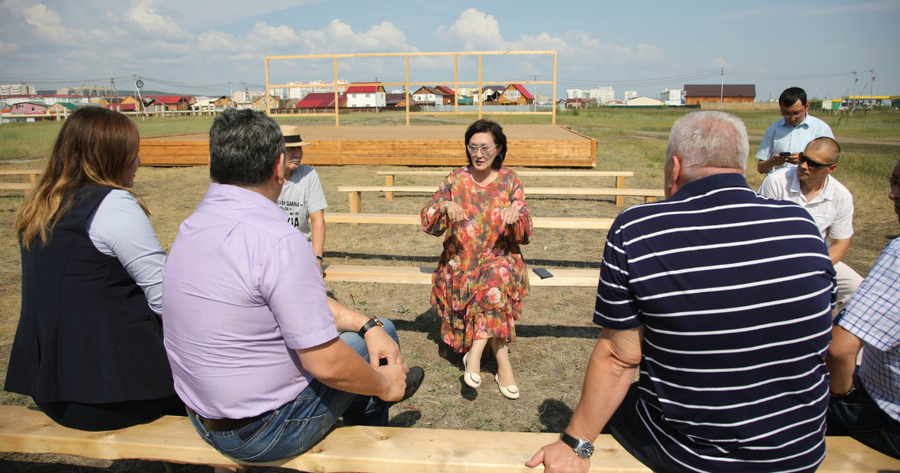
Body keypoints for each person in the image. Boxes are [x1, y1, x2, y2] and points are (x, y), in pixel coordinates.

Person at [528, 111, 835, 473]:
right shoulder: (801, 225)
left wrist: (574, 443)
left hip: (691, 456)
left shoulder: (639, 228)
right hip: (799, 451)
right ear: (739, 165)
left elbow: (618, 359)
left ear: (675, 168)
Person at [162, 108, 423, 464]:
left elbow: (289, 298)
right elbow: (327, 364)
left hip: (201, 415)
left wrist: (364, 321)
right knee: (380, 338)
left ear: (211, 161)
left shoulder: (192, 226)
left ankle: (362, 418)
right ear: (278, 166)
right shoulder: (279, 241)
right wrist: (387, 384)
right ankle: (366, 445)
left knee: (371, 331)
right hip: (259, 432)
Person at [4, 107, 181, 431]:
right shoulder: (112, 203)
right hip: (115, 394)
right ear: (110, 157)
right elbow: (166, 299)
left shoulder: (40, 204)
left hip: (52, 393)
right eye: (132, 154)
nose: (138, 163)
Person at [421, 119, 532, 400]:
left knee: (493, 281)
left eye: (485, 148)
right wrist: (445, 206)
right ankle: (502, 365)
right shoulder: (455, 180)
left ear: (499, 149)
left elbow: (526, 232)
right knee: (491, 290)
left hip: (500, 259)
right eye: (473, 147)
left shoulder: (509, 181)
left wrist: (515, 217)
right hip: (462, 262)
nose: (479, 154)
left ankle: (475, 357)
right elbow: (428, 222)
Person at [825, 156, 900, 459]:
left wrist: (843, 395)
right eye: (893, 182)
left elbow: (839, 349)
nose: (892, 193)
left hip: (887, 415)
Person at [759, 136, 862, 312]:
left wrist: (816, 269)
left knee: (857, 289)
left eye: (813, 164)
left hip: (817, 260)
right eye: (803, 158)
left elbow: (840, 243)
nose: (803, 166)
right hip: (773, 257)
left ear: (831, 168)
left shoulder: (841, 196)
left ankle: (837, 334)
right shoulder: (776, 182)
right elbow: (758, 230)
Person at [276, 125, 327, 267]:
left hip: (301, 252)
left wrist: (317, 258)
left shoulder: (308, 175)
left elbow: (318, 220)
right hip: (269, 252)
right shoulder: (261, 176)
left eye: (299, 148)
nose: (297, 154)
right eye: (290, 150)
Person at [756, 86, 834, 175]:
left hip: (810, 185)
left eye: (796, 113)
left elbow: (828, 163)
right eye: (786, 114)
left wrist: (804, 160)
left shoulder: (821, 129)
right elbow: (761, 168)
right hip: (779, 185)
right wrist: (773, 161)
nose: (792, 118)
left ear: (806, 107)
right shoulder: (773, 129)